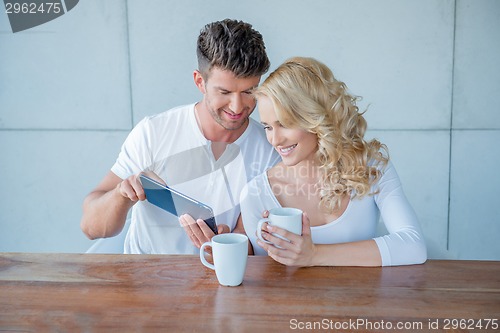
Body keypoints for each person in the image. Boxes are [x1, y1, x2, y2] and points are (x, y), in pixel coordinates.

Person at [81, 19, 280, 254]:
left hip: (218, 284)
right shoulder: (153, 133)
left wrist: (229, 247)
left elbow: (251, 248)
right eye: (224, 92)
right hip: (143, 282)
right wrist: (122, 194)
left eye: (249, 91)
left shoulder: (271, 149)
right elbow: (91, 227)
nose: (237, 107)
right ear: (200, 82)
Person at [240, 57, 427, 267]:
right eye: (267, 127)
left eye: (284, 124)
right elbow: (266, 278)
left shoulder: (371, 166)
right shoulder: (256, 195)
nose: (275, 140)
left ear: (316, 117)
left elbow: (413, 246)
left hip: (364, 298)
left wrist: (314, 255)